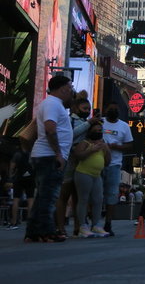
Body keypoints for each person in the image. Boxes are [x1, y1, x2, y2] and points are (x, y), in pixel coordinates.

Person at [25, 75, 74, 243]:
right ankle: (46, 231)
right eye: (70, 87)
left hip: (45, 155)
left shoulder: (52, 103)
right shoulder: (53, 104)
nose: (71, 91)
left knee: (42, 197)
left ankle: (33, 232)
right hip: (49, 156)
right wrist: (58, 154)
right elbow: (50, 129)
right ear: (62, 89)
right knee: (49, 197)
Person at [55, 92, 91, 237]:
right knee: (64, 195)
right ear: (76, 109)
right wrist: (89, 124)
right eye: (84, 109)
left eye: (89, 109)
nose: (87, 112)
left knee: (79, 197)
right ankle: (60, 227)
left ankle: (78, 227)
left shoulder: (88, 122)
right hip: (69, 161)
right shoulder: (70, 121)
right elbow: (70, 135)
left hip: (84, 162)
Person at [71, 119, 111, 238]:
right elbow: (78, 156)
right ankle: (82, 226)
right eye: (96, 130)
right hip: (83, 173)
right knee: (83, 199)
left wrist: (106, 149)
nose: (98, 132)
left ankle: (96, 225)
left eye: (100, 130)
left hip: (96, 175)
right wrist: (91, 150)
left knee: (98, 200)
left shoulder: (102, 144)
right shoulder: (84, 143)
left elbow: (107, 162)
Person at [100, 102, 133, 236]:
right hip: (97, 164)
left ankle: (108, 223)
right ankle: (94, 222)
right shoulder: (99, 122)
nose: (113, 110)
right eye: (110, 108)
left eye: (115, 109)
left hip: (114, 164)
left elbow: (130, 144)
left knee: (112, 194)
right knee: (95, 194)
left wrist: (116, 147)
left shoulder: (124, 126)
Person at [7, 147, 34, 230]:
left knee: (16, 199)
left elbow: (12, 167)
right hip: (30, 178)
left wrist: (11, 177)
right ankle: (30, 222)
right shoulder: (33, 153)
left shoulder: (17, 154)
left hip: (19, 178)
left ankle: (14, 222)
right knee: (30, 199)